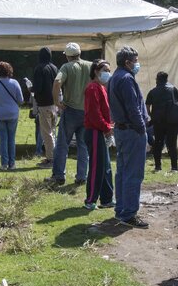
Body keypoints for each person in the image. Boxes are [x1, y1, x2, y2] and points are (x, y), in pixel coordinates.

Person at [108, 45, 149, 228]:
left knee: (123, 171)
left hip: (121, 130)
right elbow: (133, 108)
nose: (137, 64)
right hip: (132, 130)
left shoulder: (115, 77)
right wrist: (142, 128)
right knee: (134, 173)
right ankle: (129, 214)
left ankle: (121, 209)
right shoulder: (126, 78)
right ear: (127, 62)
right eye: (135, 61)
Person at [48, 42, 92, 186]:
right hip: (87, 111)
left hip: (71, 110)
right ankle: (81, 176)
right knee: (83, 145)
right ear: (80, 53)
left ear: (67, 56)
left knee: (62, 144)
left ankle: (59, 175)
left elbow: (57, 82)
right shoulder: (90, 65)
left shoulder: (66, 67)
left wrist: (57, 102)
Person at [83, 59, 115, 211]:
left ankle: (107, 198)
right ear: (96, 71)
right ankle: (90, 200)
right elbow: (94, 114)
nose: (108, 73)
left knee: (106, 166)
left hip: (101, 130)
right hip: (95, 131)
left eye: (109, 70)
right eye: (105, 70)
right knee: (97, 166)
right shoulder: (92, 88)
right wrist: (107, 127)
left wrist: (108, 126)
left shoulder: (101, 87)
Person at [146, 71, 178, 172]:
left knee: (158, 143)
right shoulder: (173, 89)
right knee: (172, 144)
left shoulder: (152, 91)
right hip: (172, 121)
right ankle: (174, 167)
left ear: (157, 80)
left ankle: (157, 167)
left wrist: (151, 115)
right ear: (166, 79)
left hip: (158, 121)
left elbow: (147, 106)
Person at [0, 61, 23, 170]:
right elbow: (20, 100)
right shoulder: (15, 83)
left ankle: (4, 164)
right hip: (12, 114)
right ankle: (12, 164)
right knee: (11, 139)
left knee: (3, 139)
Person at [32, 47, 59, 166]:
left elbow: (38, 88)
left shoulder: (39, 68)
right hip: (55, 103)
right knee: (52, 131)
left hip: (44, 104)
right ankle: (53, 156)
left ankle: (51, 159)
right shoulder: (54, 68)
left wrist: (31, 89)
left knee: (46, 133)